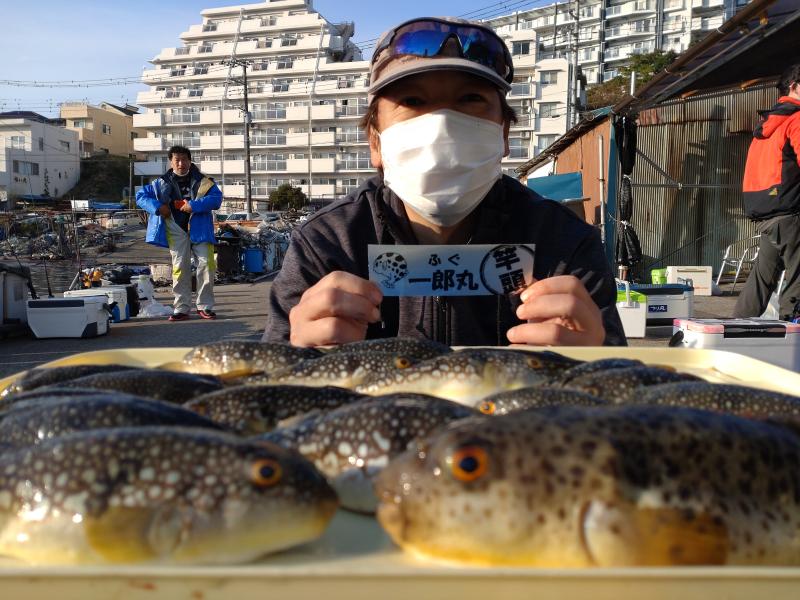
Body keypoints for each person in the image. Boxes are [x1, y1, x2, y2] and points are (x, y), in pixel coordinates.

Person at [263, 16, 625, 347]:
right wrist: (296, 359)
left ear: (503, 134)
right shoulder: (327, 245)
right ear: (375, 141)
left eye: (470, 99)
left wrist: (594, 358)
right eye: (413, 100)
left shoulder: (564, 243)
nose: (441, 125)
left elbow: (620, 401)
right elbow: (266, 394)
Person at [734, 64, 800, 321]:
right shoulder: (795, 118)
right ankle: (793, 331)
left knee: (763, 277)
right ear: (794, 86)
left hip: (765, 211)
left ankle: (736, 329)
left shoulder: (770, 122)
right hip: (790, 211)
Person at [136, 145, 222, 321]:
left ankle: (205, 306)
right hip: (174, 228)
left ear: (190, 161)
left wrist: (194, 206)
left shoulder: (206, 181)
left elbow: (216, 199)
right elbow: (140, 197)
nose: (181, 163)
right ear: (171, 162)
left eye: (184, 159)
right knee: (179, 268)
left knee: (207, 265)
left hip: (200, 227)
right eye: (177, 160)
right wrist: (158, 207)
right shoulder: (160, 183)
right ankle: (181, 308)